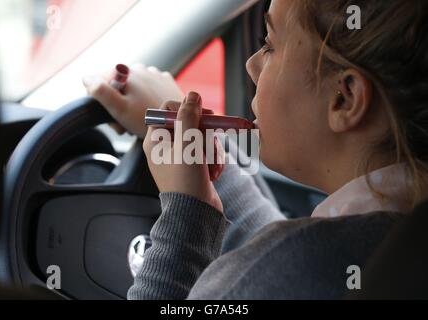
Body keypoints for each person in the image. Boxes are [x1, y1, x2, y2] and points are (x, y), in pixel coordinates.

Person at [83, 0, 428, 299]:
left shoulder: (299, 267)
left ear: (345, 97)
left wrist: (185, 218)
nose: (251, 64)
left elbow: (279, 267)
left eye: (270, 45)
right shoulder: (398, 236)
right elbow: (276, 254)